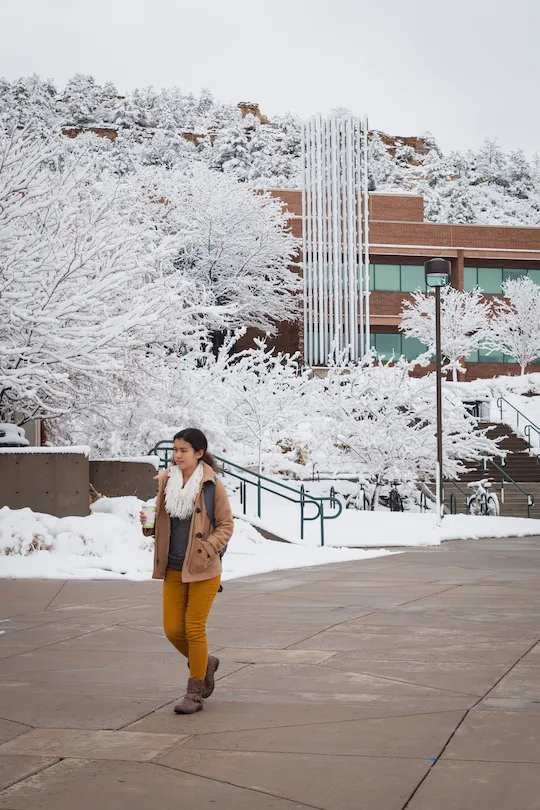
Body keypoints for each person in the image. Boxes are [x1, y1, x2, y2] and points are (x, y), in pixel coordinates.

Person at [140, 428, 234, 714]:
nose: (177, 455)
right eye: (175, 450)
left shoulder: (211, 485)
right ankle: (206, 663)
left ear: (199, 453)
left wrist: (208, 548)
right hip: (172, 567)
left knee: (194, 629)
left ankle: (194, 693)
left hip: (204, 568)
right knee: (172, 630)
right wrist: (148, 524)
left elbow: (226, 526)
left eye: (183, 450)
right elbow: (163, 524)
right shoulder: (166, 482)